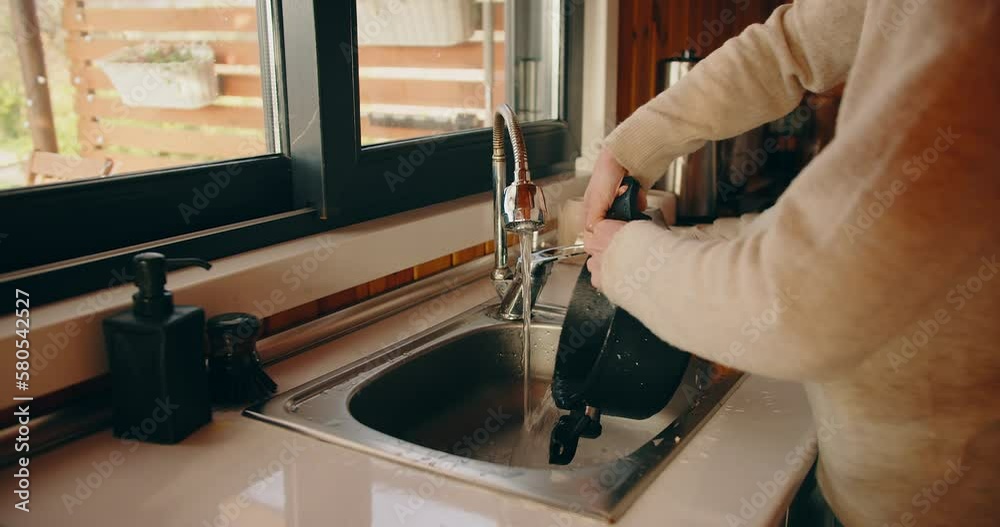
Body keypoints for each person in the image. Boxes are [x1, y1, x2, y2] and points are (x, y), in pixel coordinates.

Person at [581, 1, 999, 525]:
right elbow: (793, 45)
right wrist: (632, 147)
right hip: (855, 483)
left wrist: (628, 261)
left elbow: (799, 306)